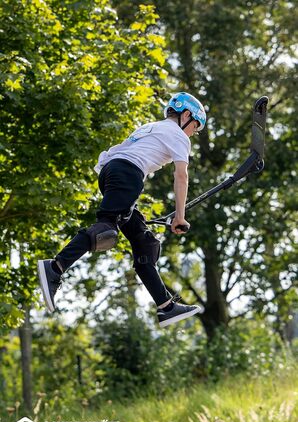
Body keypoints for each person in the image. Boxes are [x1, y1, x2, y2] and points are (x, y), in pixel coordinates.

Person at [38, 92, 206, 328]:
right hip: (128, 174)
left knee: (144, 241)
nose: (192, 134)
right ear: (186, 115)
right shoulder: (178, 134)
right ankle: (55, 267)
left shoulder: (151, 127)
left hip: (112, 172)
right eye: (195, 127)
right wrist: (179, 216)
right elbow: (181, 175)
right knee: (105, 230)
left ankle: (166, 307)